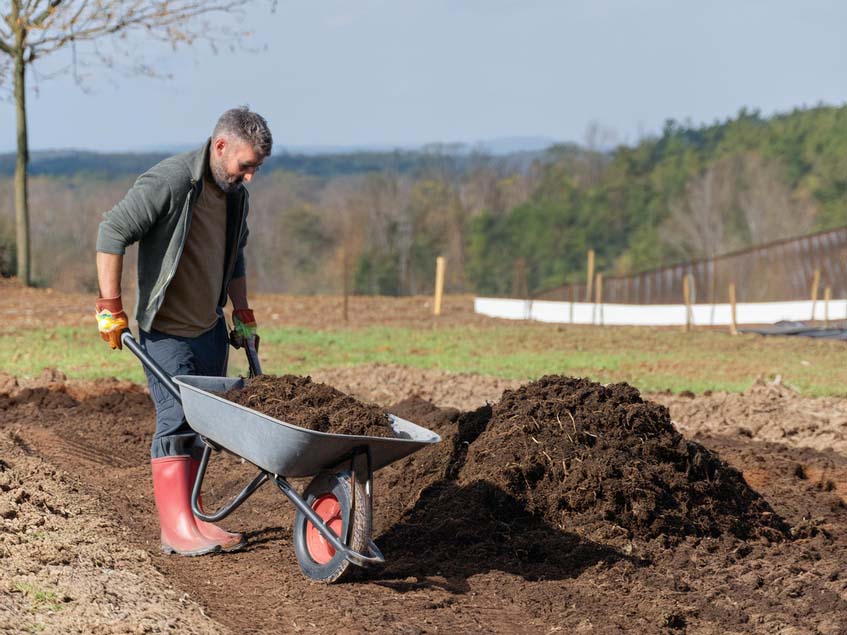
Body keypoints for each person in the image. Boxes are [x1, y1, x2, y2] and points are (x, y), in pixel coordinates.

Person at [94, 107, 272, 556]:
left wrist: (243, 311)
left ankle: (191, 518)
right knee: (174, 420)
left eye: (256, 168)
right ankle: (174, 527)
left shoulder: (235, 197)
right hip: (166, 331)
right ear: (220, 146)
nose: (249, 176)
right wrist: (109, 307)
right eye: (245, 165)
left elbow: (236, 257)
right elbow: (112, 230)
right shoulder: (172, 181)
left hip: (209, 327)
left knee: (202, 424)